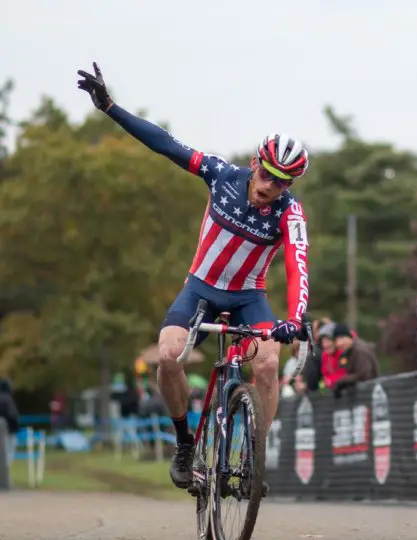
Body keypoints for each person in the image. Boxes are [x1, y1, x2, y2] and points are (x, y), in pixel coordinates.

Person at [77, 63, 310, 490]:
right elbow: (165, 144)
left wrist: (294, 319)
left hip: (247, 297)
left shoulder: (289, 213)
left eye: (280, 183)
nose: (268, 186)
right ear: (255, 163)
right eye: (265, 174)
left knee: (270, 360)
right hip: (200, 289)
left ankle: (254, 455)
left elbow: (298, 265)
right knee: (168, 355)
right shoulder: (221, 175)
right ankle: (185, 443)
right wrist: (110, 107)